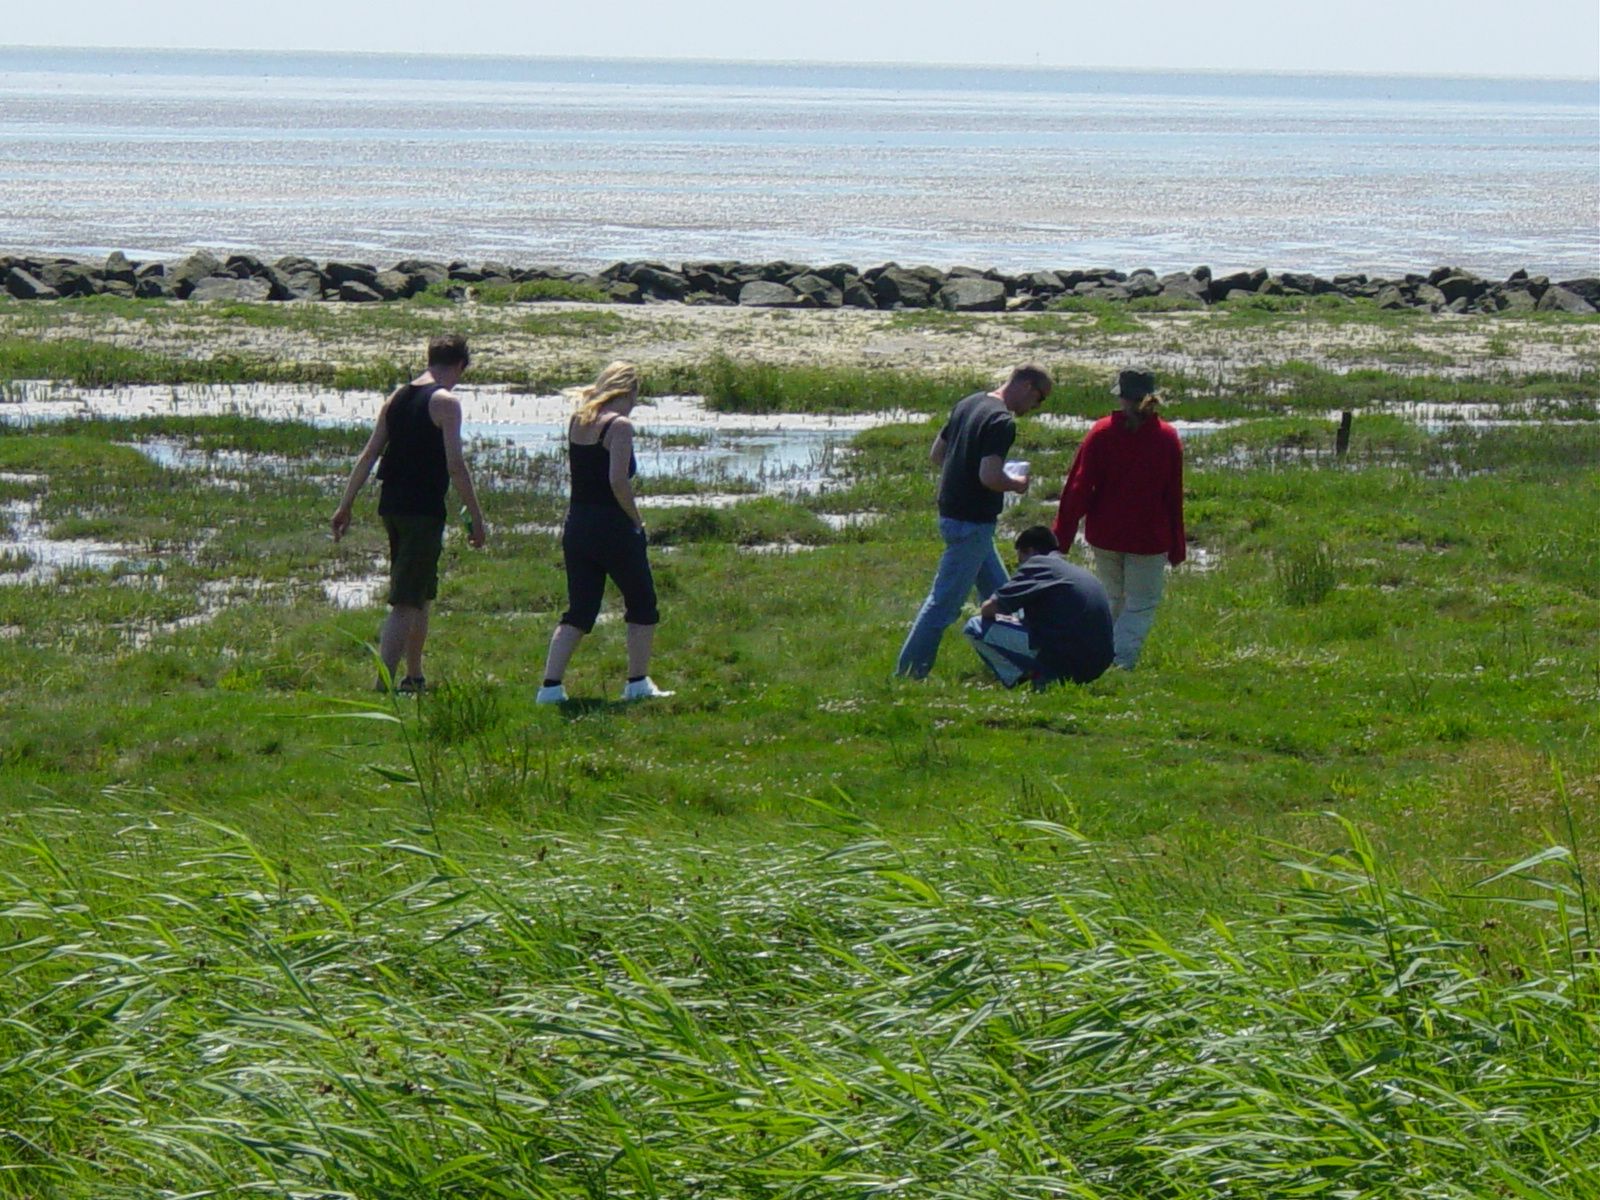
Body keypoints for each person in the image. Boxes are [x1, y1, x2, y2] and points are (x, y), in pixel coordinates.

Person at [331, 333, 487, 693]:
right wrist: (477, 518)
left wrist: (346, 503)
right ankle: (383, 684)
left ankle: (414, 676)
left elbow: (369, 454)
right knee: (405, 601)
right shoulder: (446, 402)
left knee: (421, 594)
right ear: (460, 365)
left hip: (392, 506)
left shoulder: (397, 397)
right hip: (422, 511)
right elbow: (456, 465)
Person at [895, 364, 1052, 678]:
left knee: (1003, 596)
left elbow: (938, 455)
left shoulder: (969, 403)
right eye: (1039, 398)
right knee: (943, 605)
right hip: (972, 523)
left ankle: (1020, 666)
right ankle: (909, 675)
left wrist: (967, 472)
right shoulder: (1001, 421)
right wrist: (1017, 484)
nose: (1036, 407)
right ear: (1027, 386)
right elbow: (990, 476)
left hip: (952, 516)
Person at [537, 362, 672, 704]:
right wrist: (637, 520)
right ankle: (637, 683)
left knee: (580, 610)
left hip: (577, 524)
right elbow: (617, 481)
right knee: (642, 603)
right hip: (612, 526)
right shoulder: (619, 426)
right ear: (628, 391)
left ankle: (549, 688)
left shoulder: (578, 421)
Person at [1051, 367, 1185, 670]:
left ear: (1121, 397)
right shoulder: (1167, 437)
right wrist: (1178, 545)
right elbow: (1173, 496)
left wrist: (1061, 537)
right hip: (1149, 538)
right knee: (1141, 603)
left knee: (1112, 598)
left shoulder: (1101, 433)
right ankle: (1118, 662)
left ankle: (1096, 655)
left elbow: (1077, 489)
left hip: (1105, 535)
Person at [963, 526, 1114, 689]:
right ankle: (1042, 675)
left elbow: (989, 608)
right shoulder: (1075, 571)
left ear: (1030, 551)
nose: (1020, 566)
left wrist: (1006, 616)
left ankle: (1022, 680)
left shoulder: (1037, 564)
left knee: (974, 626)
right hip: (1098, 662)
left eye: (1020, 560)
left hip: (1066, 659)